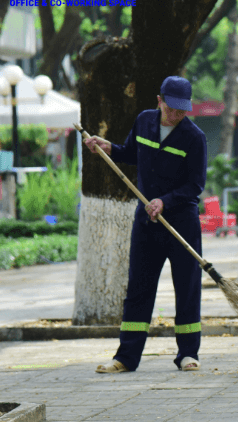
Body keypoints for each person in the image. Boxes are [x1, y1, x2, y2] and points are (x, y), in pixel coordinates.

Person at [84, 76, 207, 374]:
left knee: (187, 288)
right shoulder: (144, 122)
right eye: (171, 108)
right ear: (159, 100)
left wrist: (165, 201)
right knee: (139, 288)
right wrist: (108, 148)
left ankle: (188, 354)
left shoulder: (194, 137)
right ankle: (126, 357)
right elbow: (131, 152)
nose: (175, 115)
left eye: (182, 110)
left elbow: (195, 185)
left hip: (181, 224)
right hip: (147, 223)